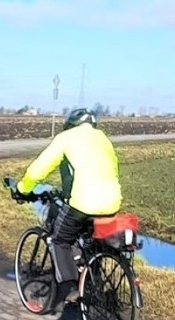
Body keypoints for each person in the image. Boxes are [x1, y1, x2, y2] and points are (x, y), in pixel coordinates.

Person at [14, 108, 122, 307]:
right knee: (91, 242)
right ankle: (92, 280)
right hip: (112, 201)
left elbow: (39, 168)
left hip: (84, 202)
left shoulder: (66, 137)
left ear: (70, 124)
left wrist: (22, 188)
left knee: (59, 239)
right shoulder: (102, 138)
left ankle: (70, 287)